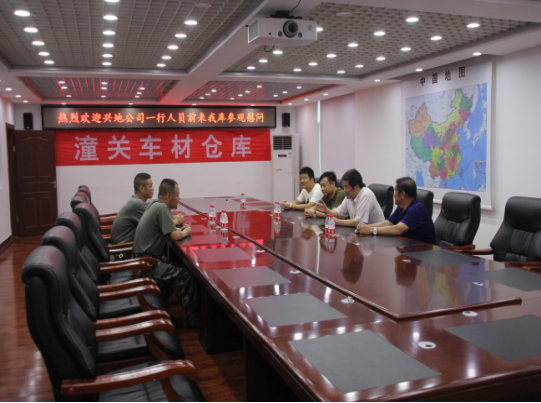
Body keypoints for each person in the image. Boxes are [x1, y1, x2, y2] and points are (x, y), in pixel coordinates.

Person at [132, 178, 201, 327]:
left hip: (143, 261)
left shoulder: (155, 205)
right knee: (186, 276)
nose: (179, 198)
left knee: (177, 267)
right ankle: (193, 320)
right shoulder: (162, 208)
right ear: (169, 196)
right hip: (147, 264)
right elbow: (175, 235)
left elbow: (169, 229)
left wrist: (179, 230)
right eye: (177, 195)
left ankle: (160, 307)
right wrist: (186, 231)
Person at [355, 177, 436, 244]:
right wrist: (365, 227)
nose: (394, 195)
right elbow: (387, 223)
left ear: (402, 194)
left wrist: (371, 230)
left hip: (424, 251)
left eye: (396, 191)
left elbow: (398, 229)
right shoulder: (401, 207)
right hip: (409, 247)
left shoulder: (416, 209)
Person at [316, 169, 384, 226]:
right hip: (362, 233)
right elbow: (338, 214)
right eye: (344, 187)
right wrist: (326, 210)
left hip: (378, 234)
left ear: (356, 187)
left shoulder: (366, 195)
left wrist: (338, 222)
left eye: (347, 187)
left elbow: (359, 222)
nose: (344, 190)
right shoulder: (349, 197)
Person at [110, 173, 156, 245]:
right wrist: (173, 221)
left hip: (127, 244)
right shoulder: (138, 204)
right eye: (150, 186)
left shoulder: (135, 201)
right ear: (142, 189)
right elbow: (156, 225)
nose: (153, 189)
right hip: (124, 248)